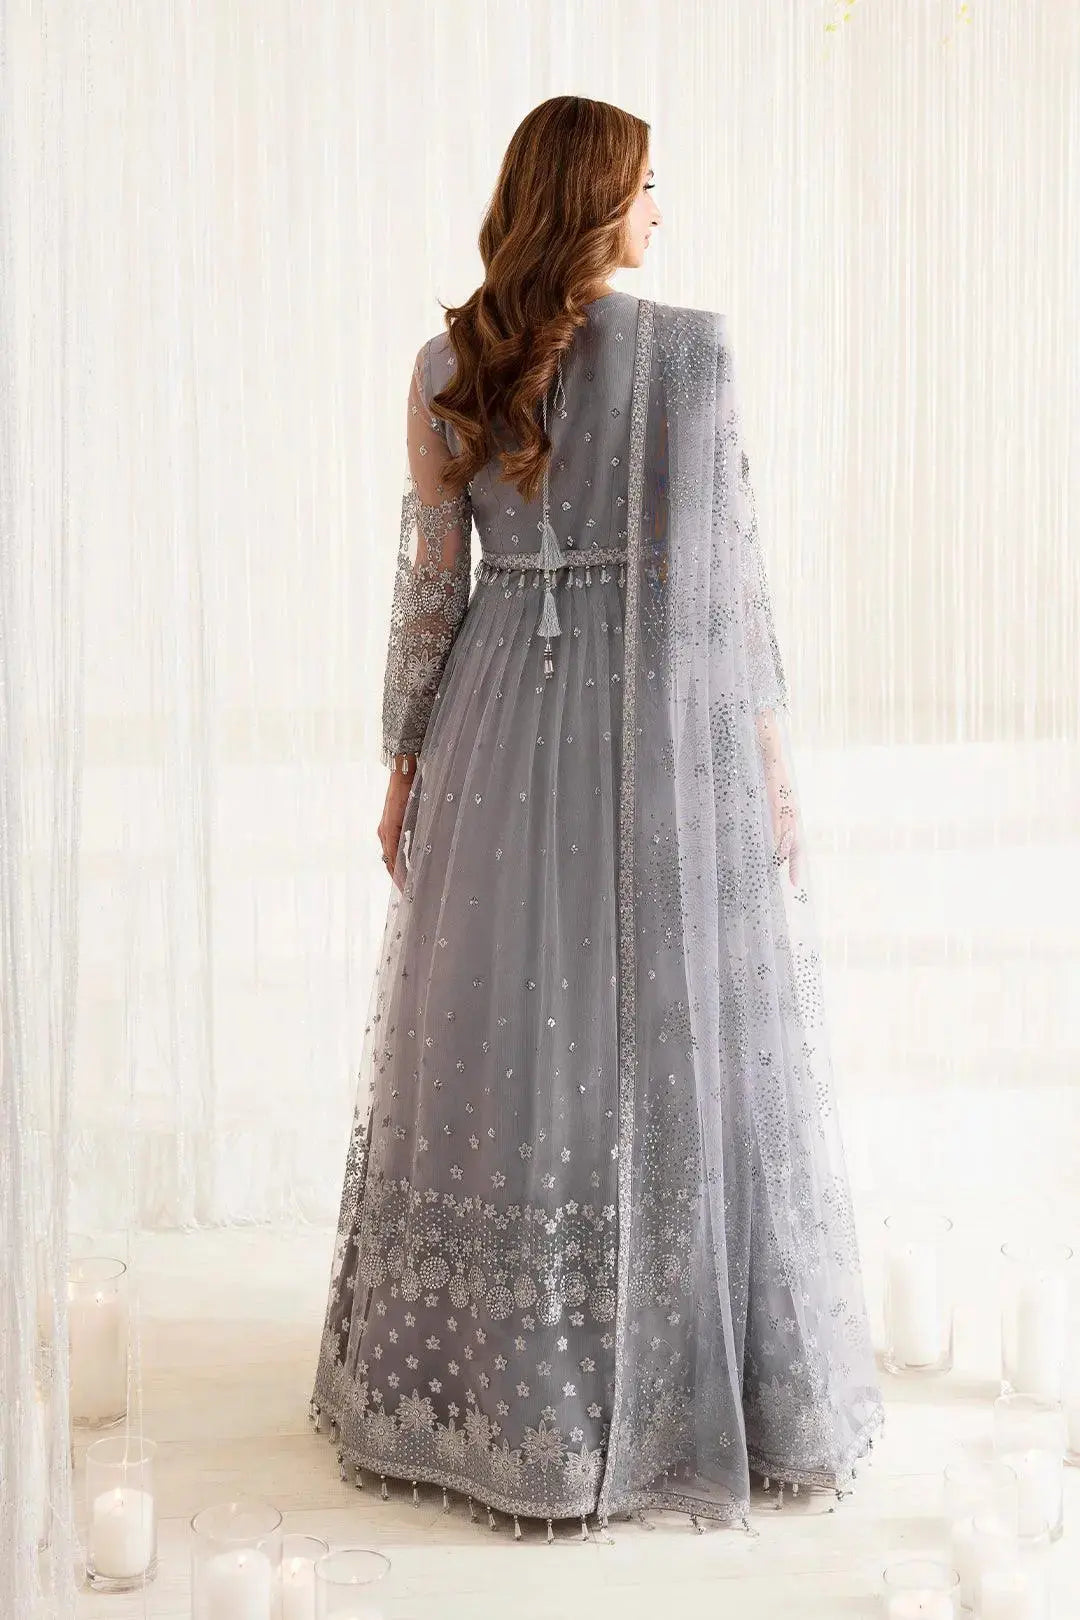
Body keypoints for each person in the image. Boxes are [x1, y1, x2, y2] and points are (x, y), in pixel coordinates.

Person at [310, 95, 884, 1540]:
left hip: (496, 710)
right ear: (593, 199)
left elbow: (431, 585)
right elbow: (725, 580)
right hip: (649, 719)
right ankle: (661, 1369)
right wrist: (762, 758)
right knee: (649, 1020)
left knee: (508, 1024)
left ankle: (517, 1380)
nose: (659, 212)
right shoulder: (690, 354)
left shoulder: (448, 364)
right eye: (644, 187)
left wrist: (406, 760)